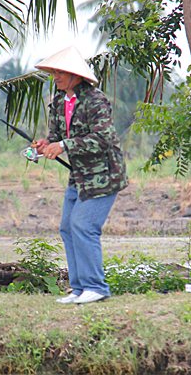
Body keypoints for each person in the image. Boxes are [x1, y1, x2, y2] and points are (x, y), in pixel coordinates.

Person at [32, 46, 128, 304]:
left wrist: (63, 146)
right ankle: (79, 289)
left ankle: (96, 287)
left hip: (104, 175)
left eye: (60, 72)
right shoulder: (58, 103)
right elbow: (56, 137)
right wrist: (45, 146)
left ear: (75, 75)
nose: (56, 77)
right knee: (67, 227)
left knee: (83, 226)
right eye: (54, 72)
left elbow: (102, 139)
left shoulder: (96, 101)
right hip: (79, 176)